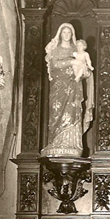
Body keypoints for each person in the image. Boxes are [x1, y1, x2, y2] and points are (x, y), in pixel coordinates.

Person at [41, 23, 94, 157]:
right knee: (56, 112)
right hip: (58, 87)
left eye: (68, 33)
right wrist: (71, 62)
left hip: (73, 87)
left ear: (72, 35)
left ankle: (72, 144)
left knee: (73, 112)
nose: (66, 35)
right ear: (60, 34)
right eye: (63, 32)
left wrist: (84, 71)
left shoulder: (76, 50)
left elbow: (85, 69)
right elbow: (54, 65)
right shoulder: (56, 49)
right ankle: (56, 142)